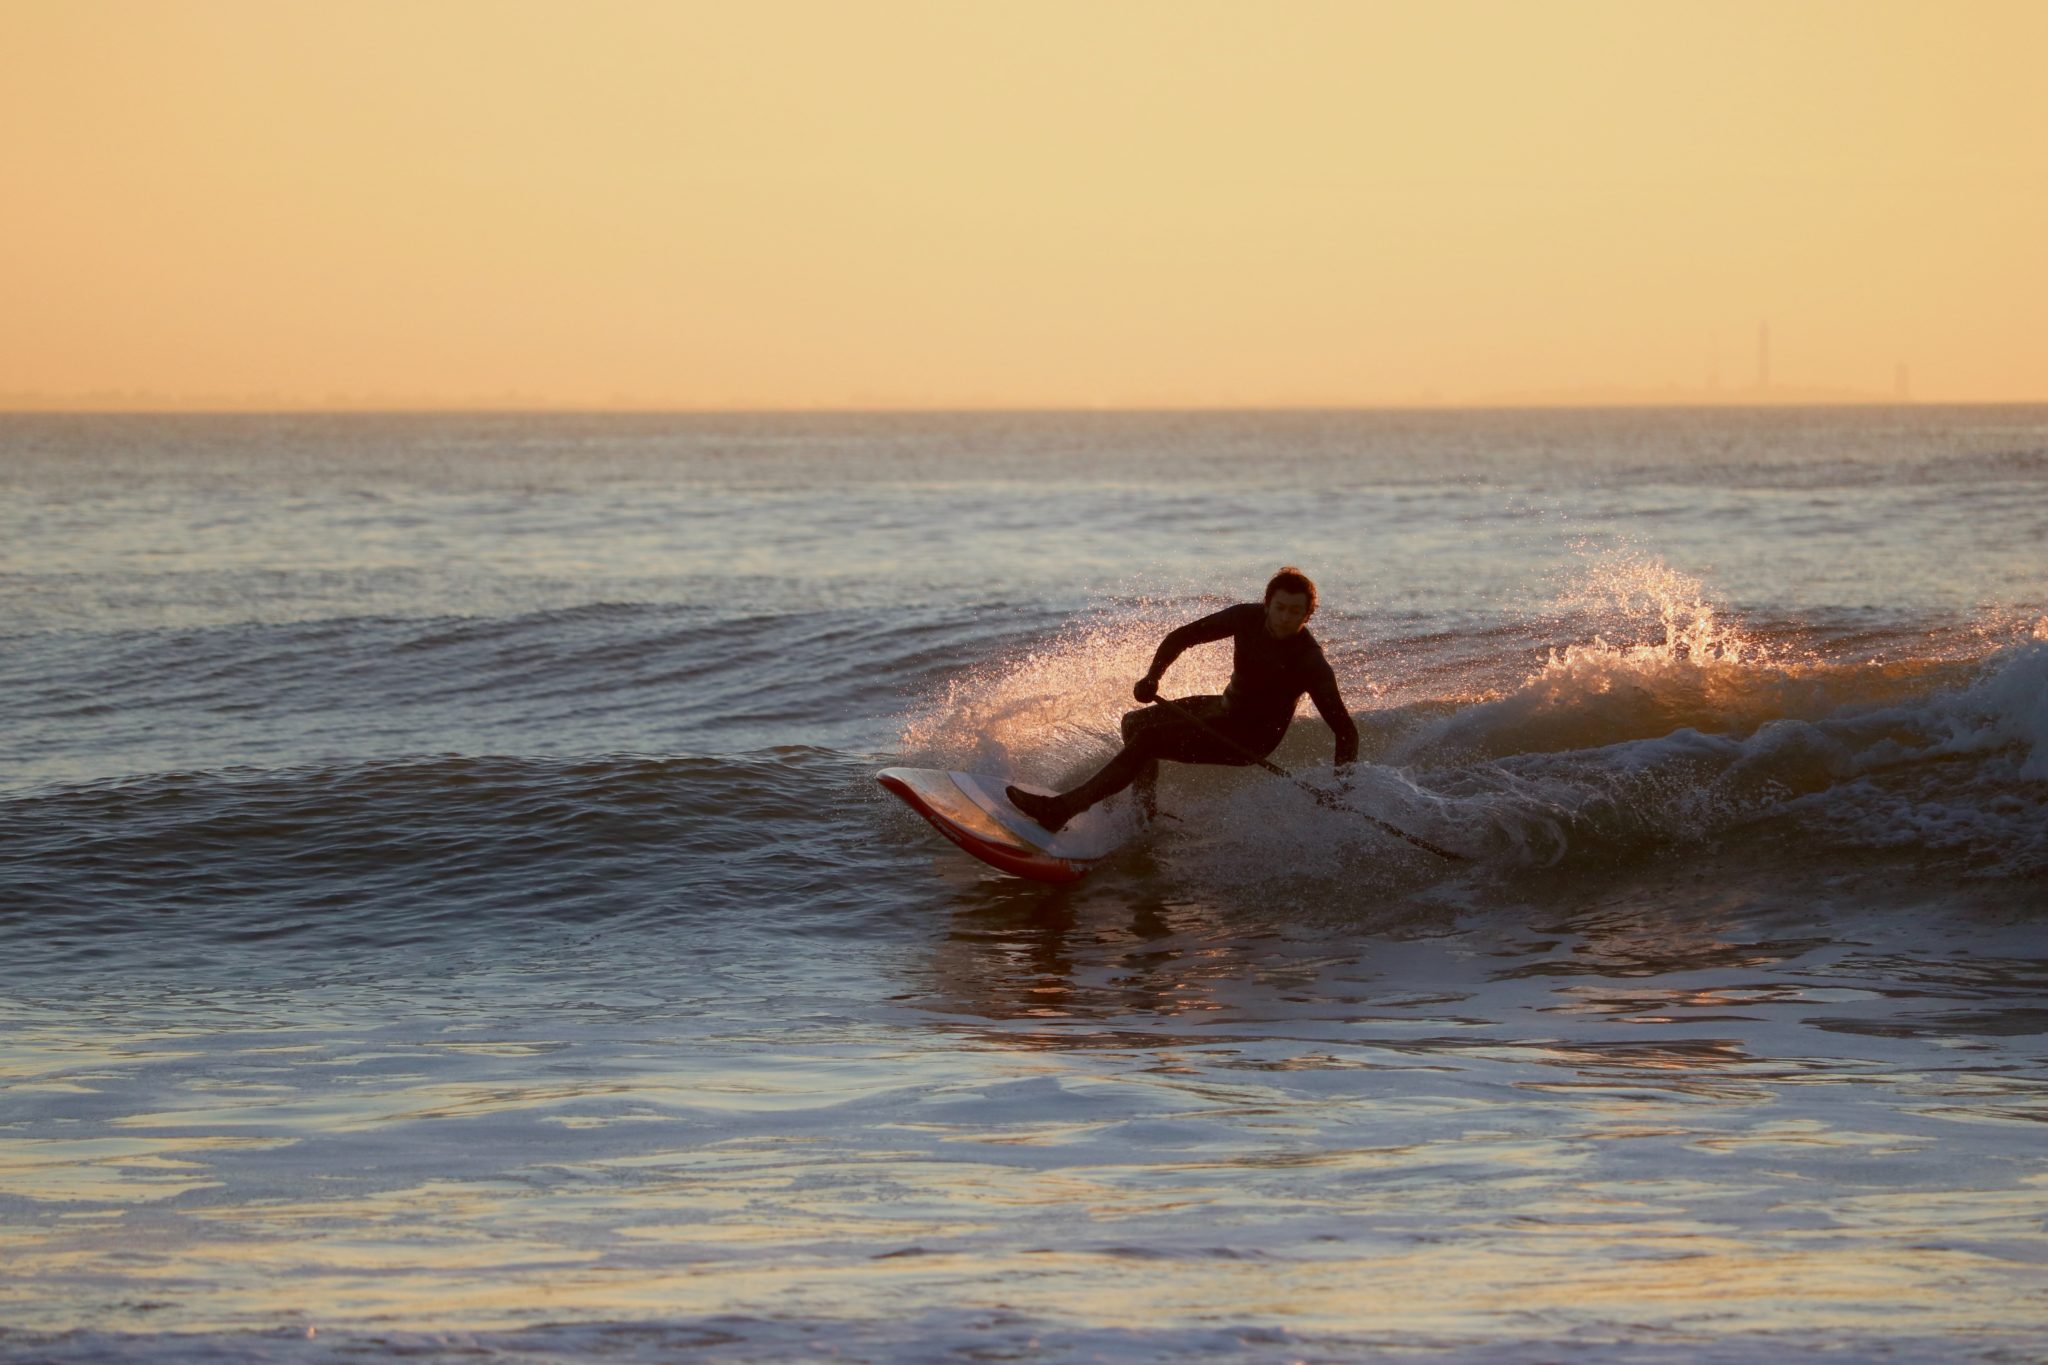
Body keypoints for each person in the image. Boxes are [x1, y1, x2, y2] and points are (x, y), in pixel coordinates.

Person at [1008, 566, 1360, 832]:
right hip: (1223, 710)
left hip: (1249, 740)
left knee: (1148, 740)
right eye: (1280, 608)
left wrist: (1340, 788)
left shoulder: (1310, 664)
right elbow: (1182, 637)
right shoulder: (1246, 618)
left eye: (1295, 612)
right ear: (1267, 604)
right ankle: (1143, 814)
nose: (1285, 618)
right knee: (1135, 723)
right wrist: (1153, 677)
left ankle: (1062, 810)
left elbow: (1345, 730)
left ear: (1307, 615)